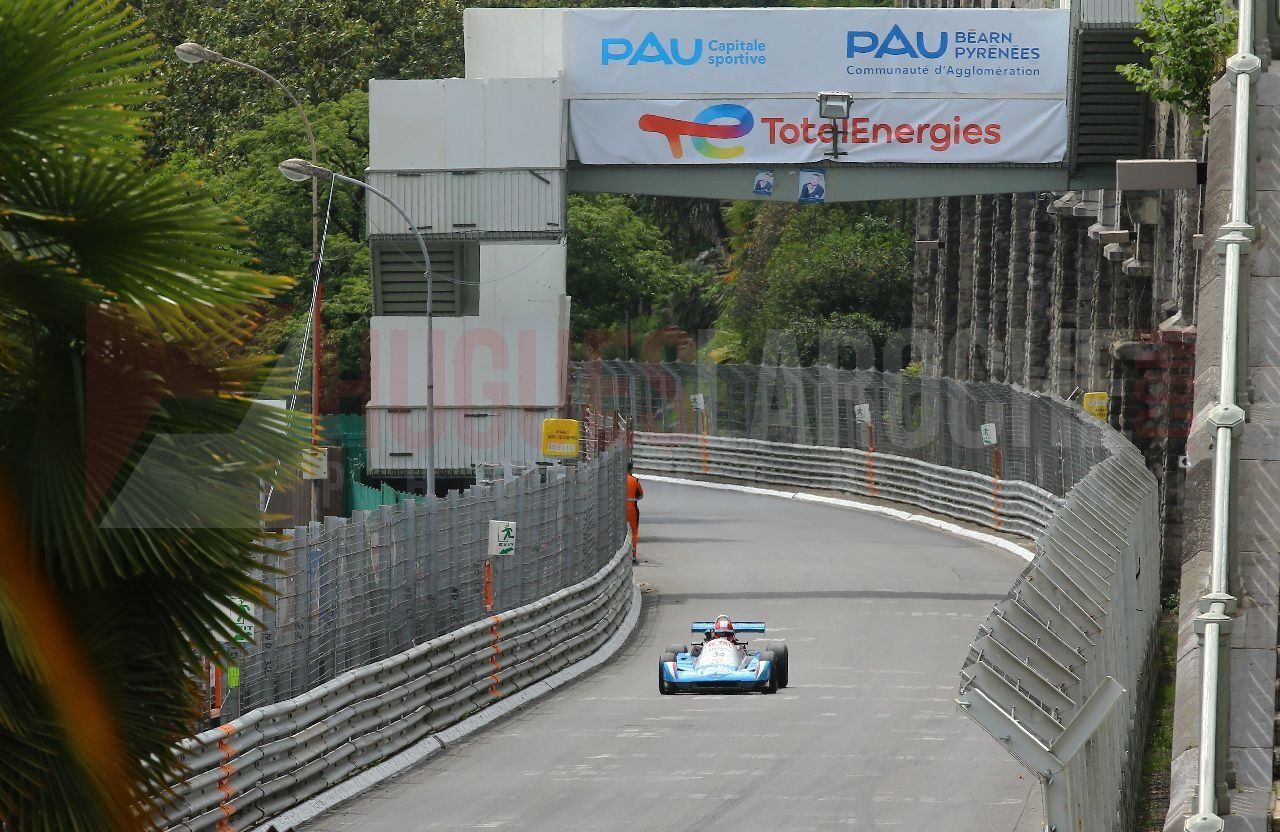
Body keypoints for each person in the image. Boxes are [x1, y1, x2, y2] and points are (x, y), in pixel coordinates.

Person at [626, 462, 644, 561]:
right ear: (631, 469)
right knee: (633, 532)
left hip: (618, 510)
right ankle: (633, 554)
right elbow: (640, 495)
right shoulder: (634, 480)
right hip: (632, 509)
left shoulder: (616, 480)